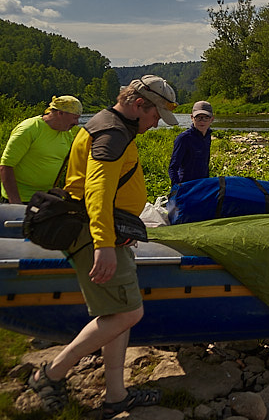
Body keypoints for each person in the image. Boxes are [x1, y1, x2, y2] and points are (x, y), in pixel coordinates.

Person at [26, 75, 177, 415]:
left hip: (104, 229)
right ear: (140, 104)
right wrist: (103, 244)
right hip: (95, 231)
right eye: (155, 116)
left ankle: (115, 395)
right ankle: (51, 373)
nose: (155, 124)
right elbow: (98, 190)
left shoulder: (109, 124)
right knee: (129, 312)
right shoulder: (112, 133)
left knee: (116, 314)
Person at [0, 95, 82, 204]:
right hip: (21, 199)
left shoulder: (67, 134)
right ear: (60, 113)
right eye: (75, 118)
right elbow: (6, 166)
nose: (77, 123)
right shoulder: (29, 129)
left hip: (45, 198)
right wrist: (15, 201)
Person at [168, 100, 214, 185]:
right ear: (192, 118)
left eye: (206, 117)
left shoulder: (208, 136)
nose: (202, 121)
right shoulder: (184, 138)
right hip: (186, 186)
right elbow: (173, 167)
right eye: (198, 117)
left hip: (202, 184)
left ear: (212, 119)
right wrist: (178, 188)